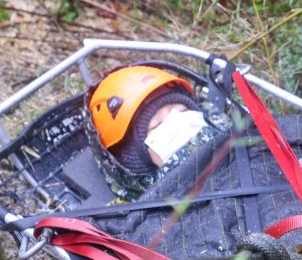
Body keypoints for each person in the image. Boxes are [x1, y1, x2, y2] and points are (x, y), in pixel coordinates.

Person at [88, 64, 216, 199]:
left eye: (183, 112)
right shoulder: (154, 217)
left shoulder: (235, 141)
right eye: (158, 125)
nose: (178, 124)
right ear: (134, 160)